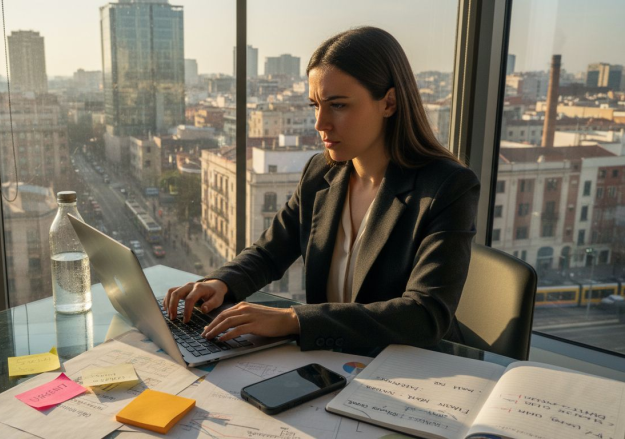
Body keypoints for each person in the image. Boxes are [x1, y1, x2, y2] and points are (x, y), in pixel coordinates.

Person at [163, 26, 480, 353]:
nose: (320, 123)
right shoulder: (320, 172)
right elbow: (270, 252)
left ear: (389, 102)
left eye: (338, 105)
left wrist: (294, 320)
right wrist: (221, 283)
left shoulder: (447, 186)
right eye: (315, 105)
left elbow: (425, 315)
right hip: (330, 365)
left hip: (407, 375)